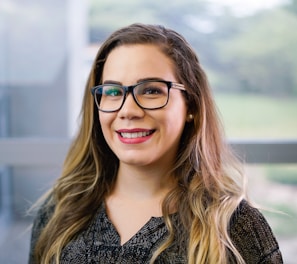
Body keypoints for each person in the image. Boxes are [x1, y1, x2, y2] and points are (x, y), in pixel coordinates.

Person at [29, 23, 283, 264]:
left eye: (151, 90)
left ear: (191, 106)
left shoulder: (235, 227)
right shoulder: (60, 211)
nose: (128, 111)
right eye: (113, 92)